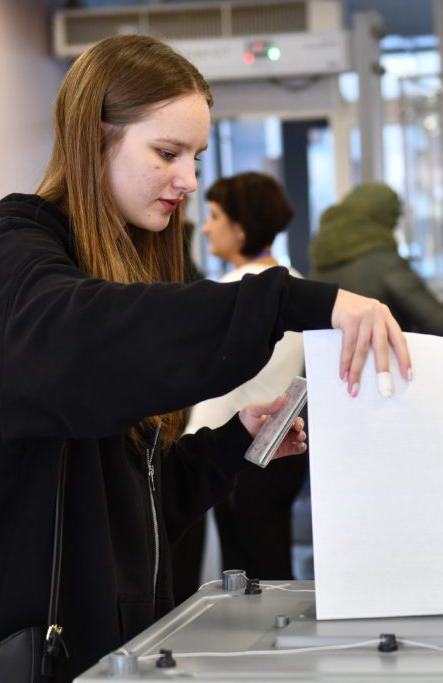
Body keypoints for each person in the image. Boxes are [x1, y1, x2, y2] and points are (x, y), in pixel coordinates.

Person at [0, 35, 411, 681]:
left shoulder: (102, 265)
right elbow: (90, 340)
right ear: (94, 139)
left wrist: (234, 442)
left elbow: (130, 504)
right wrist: (289, 297)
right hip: (26, 649)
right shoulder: (11, 252)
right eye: (167, 152)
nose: (189, 180)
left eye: (197, 156)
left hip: (109, 644)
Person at [178, 172, 308, 592]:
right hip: (280, 451)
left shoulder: (234, 292)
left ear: (241, 227)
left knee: (246, 572)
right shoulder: (297, 285)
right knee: (270, 560)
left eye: (215, 216)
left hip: (238, 448)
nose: (207, 226)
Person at [310, 182, 443, 339]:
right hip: (383, 361)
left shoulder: (321, 261)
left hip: (328, 362)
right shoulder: (386, 262)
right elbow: (442, 325)